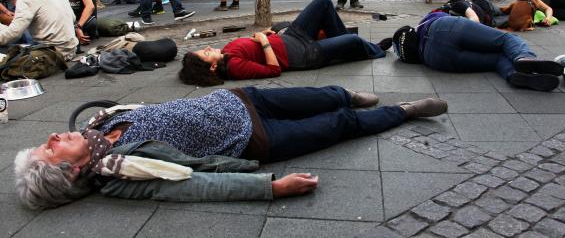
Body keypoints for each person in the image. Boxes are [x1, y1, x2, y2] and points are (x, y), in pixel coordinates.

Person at [14, 85, 447, 210]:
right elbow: (191, 184)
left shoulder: (96, 124)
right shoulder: (118, 175)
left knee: (324, 96)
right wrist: (270, 189)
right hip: (252, 139)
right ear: (69, 173)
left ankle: (346, 93)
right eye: (49, 151)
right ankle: (405, 111)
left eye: (46, 141)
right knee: (341, 124)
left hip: (239, 99)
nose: (52, 138)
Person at [179, 0, 392, 86]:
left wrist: (265, 34)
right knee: (351, 40)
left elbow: (252, 46)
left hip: (291, 36)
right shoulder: (234, 67)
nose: (207, 48)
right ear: (213, 67)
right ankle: (376, 50)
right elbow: (273, 70)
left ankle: (344, 45)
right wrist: (263, 41)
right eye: (205, 54)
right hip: (303, 54)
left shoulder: (226, 50)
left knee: (324, 3)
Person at [394, 13, 564, 91]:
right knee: (505, 40)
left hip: (434, 58)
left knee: (496, 60)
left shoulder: (407, 55)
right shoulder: (427, 20)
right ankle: (523, 58)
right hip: (443, 28)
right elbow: (472, 19)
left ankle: (513, 74)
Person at [0, 0, 78, 59]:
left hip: (52, 53)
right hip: (71, 49)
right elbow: (73, 18)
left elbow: (14, 33)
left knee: (9, 45)